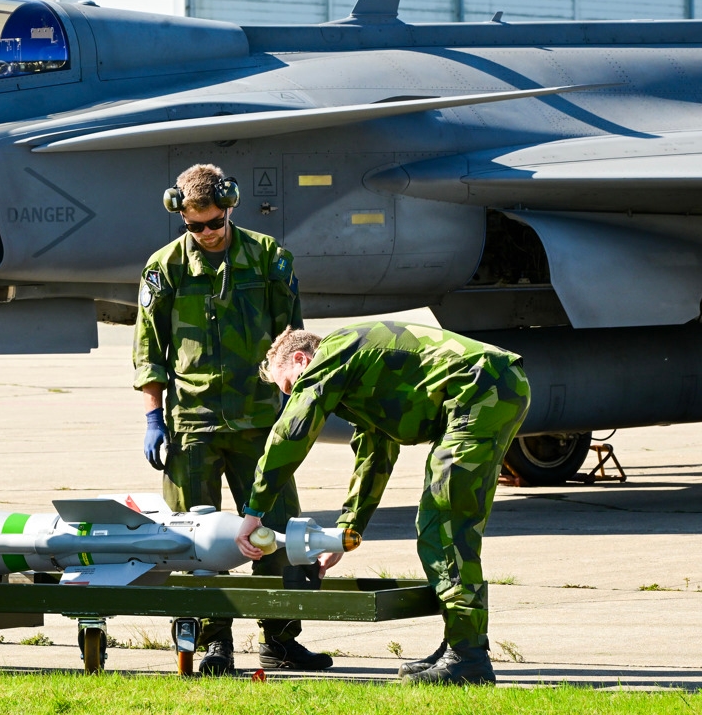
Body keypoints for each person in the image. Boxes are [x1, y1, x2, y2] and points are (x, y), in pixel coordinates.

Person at [235, 322, 531, 686]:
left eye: (290, 386)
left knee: (446, 527)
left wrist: (254, 511)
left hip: (480, 390)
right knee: (449, 527)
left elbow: (290, 434)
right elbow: (375, 453)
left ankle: (468, 658)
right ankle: (460, 643)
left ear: (301, 359)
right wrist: (348, 528)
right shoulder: (357, 371)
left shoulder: (332, 355)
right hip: (491, 387)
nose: (293, 396)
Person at [132, 163, 331, 676]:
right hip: (192, 426)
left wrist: (296, 408)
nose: (205, 234)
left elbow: (294, 341)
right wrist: (155, 418)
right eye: (194, 226)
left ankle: (281, 637)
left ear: (230, 207)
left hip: (262, 423)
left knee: (279, 532)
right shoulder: (165, 267)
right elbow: (149, 350)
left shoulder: (269, 260)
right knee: (193, 540)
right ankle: (213, 642)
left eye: (213, 222)